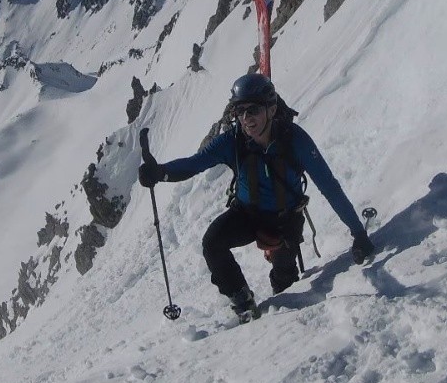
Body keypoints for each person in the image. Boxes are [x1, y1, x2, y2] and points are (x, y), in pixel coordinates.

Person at [139, 73, 375, 320]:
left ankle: (284, 318)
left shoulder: (294, 140)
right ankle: (242, 300)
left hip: (285, 220)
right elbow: (195, 164)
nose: (245, 119)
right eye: (239, 111)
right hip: (247, 214)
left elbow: (329, 186)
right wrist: (161, 173)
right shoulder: (233, 141)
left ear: (271, 109)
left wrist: (358, 233)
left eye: (252, 110)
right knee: (213, 243)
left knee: (285, 278)